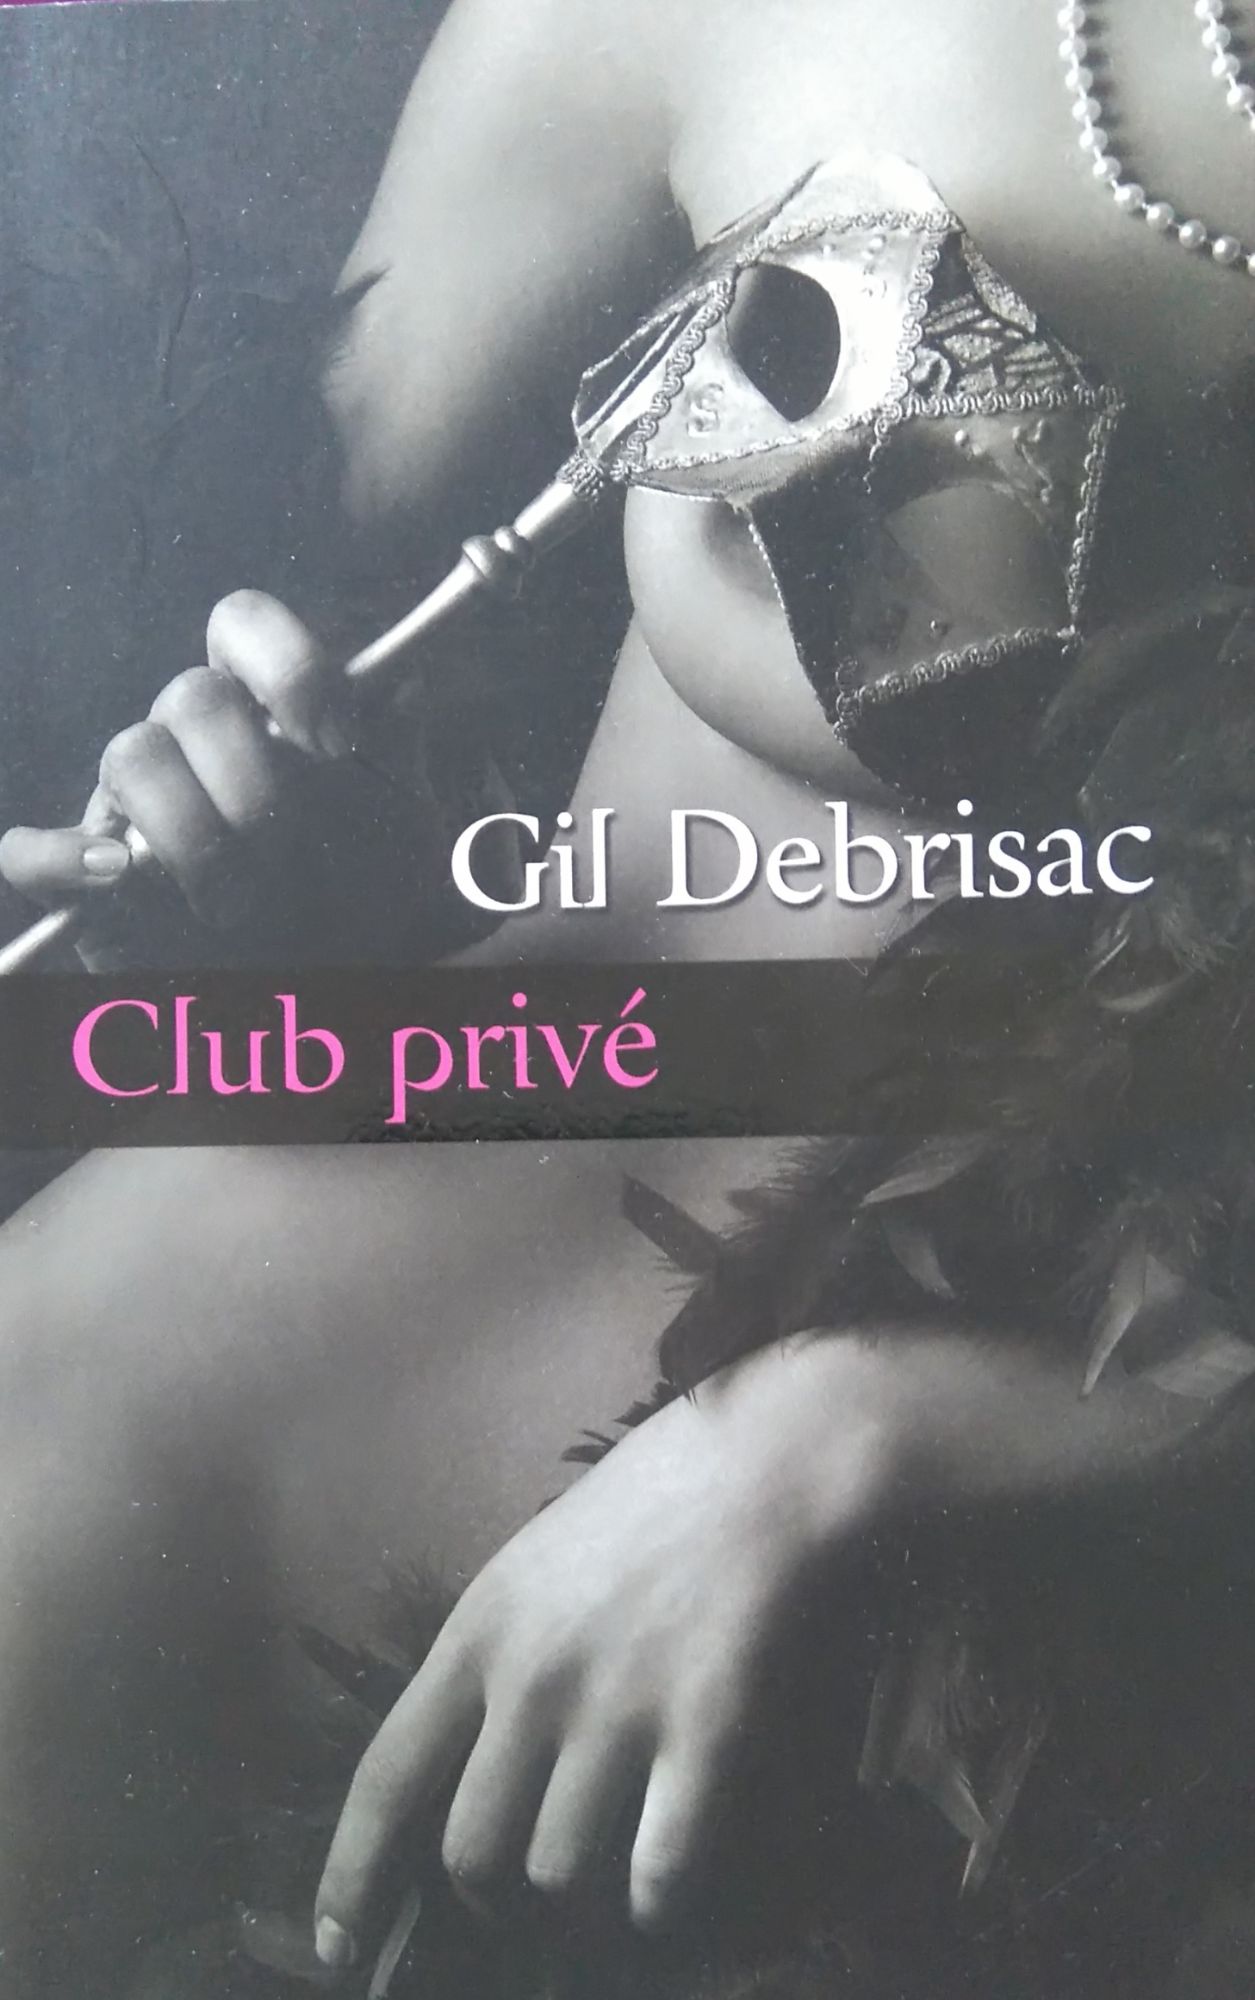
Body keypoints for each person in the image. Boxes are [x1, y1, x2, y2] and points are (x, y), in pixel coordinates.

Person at [0, 0, 1251, 1992]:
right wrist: (185, 793)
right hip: (351, 1254)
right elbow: (223, 576)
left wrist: (859, 1431)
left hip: (1050, 1473)